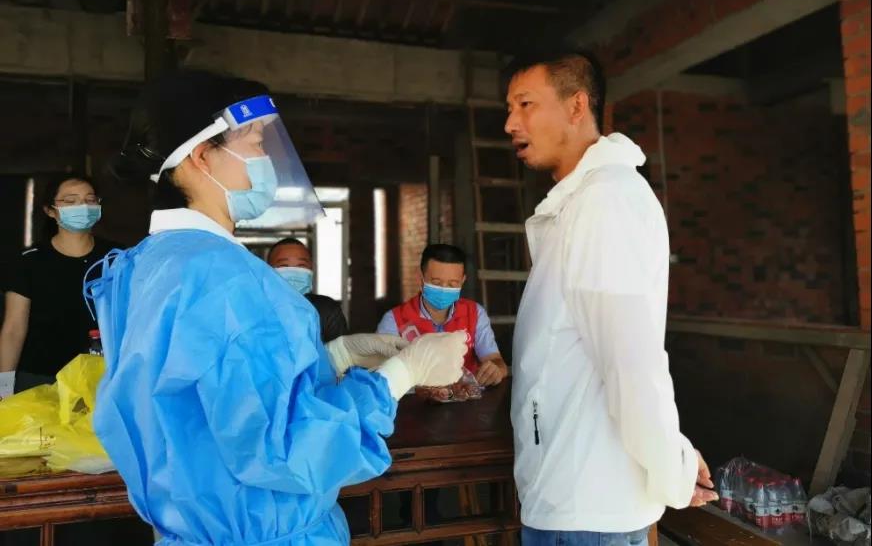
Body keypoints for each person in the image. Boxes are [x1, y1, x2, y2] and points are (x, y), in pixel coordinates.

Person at [84, 69, 467, 546]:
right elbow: (287, 449)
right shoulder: (225, 276)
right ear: (201, 156)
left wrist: (335, 357)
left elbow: (199, 400)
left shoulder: (149, 262)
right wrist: (401, 376)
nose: (267, 159)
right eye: (256, 142)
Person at [503, 51, 718, 546]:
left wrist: (674, 469)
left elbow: (631, 363)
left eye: (525, 104)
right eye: (509, 108)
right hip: (571, 496)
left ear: (577, 105)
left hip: (589, 509)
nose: (511, 123)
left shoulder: (606, 201)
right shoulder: (581, 201)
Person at [0, 174, 120, 398]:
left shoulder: (117, 258)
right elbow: (14, 328)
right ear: (50, 210)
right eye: (71, 201)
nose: (83, 207)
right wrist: (3, 386)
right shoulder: (29, 261)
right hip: (38, 380)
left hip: (101, 377)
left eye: (90, 199)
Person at [377, 243, 508, 387]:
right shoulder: (394, 320)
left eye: (452, 284)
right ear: (421, 278)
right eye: (436, 282)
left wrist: (496, 370)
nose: (444, 289)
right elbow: (382, 375)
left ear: (462, 281)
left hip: (465, 397)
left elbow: (495, 360)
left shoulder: (475, 313)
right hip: (414, 399)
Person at [268, 237, 349, 343]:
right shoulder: (253, 310)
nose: (294, 272)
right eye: (283, 266)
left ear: (311, 270)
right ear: (267, 270)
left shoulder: (326, 310)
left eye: (301, 266)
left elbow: (340, 350)